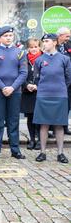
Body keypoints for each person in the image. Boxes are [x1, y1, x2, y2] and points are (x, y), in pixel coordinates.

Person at [0, 26, 28, 161]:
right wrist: (3, 87)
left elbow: (23, 72)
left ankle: (15, 150)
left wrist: (13, 87)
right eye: (5, 36)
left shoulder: (20, 52)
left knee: (13, 121)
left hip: (15, 92)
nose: (8, 38)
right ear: (0, 37)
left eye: (10, 35)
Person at [33, 34, 71, 163]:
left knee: (59, 125)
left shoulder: (64, 59)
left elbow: (68, 78)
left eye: (47, 41)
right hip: (43, 95)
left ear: (54, 42)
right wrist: (44, 88)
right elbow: (36, 78)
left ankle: (60, 153)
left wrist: (59, 88)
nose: (44, 43)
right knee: (43, 125)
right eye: (43, 41)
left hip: (60, 95)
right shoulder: (39, 60)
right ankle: (42, 153)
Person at [21, 38, 42, 150]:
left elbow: (48, 75)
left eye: (36, 47)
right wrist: (26, 85)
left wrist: (38, 86)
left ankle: (40, 139)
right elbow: (20, 74)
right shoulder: (24, 59)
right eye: (31, 47)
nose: (33, 49)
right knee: (30, 117)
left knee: (39, 117)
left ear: (40, 47)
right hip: (27, 92)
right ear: (28, 48)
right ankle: (32, 139)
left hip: (40, 92)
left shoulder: (44, 58)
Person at [56, 27, 71, 135]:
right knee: (55, 105)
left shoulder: (68, 45)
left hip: (68, 80)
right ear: (60, 36)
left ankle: (64, 127)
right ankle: (52, 127)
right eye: (67, 36)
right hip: (56, 80)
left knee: (67, 105)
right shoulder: (53, 45)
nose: (68, 38)